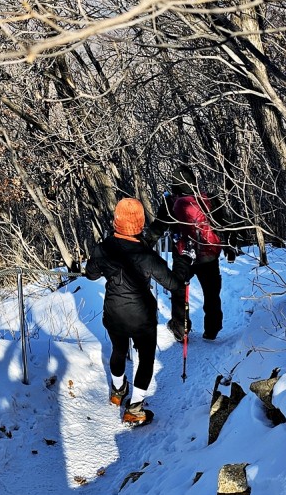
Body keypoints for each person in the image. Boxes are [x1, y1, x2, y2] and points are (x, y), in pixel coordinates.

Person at [85, 197, 185, 426]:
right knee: (146, 358)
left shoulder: (104, 248)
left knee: (118, 350)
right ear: (140, 223)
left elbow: (90, 274)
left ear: (116, 220)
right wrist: (183, 264)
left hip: (114, 313)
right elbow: (174, 284)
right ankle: (134, 408)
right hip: (142, 317)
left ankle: (118, 391)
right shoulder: (145, 255)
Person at [163, 164, 235, 342]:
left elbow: (157, 227)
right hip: (208, 254)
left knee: (179, 290)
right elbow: (223, 223)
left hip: (183, 255)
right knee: (211, 292)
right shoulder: (208, 198)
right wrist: (230, 247)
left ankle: (181, 329)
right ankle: (212, 329)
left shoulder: (170, 202)